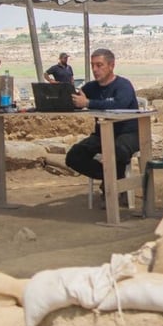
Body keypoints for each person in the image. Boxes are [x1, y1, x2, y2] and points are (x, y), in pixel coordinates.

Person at [65, 48, 139, 207]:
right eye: (93, 65)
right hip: (101, 135)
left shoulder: (123, 85)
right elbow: (78, 99)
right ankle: (111, 182)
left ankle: (114, 188)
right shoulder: (91, 88)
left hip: (128, 134)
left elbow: (120, 105)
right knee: (74, 156)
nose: (95, 70)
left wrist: (88, 103)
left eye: (99, 65)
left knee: (116, 151)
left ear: (111, 66)